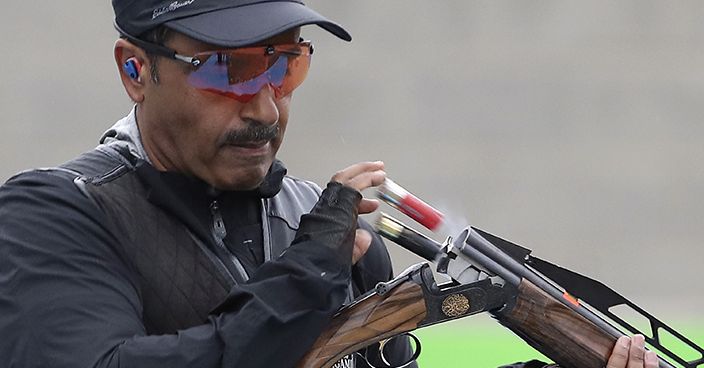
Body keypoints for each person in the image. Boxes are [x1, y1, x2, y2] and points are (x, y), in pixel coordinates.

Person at [0, 1, 659, 368]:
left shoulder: (332, 234)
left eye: (284, 65)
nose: (263, 107)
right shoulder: (52, 215)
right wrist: (307, 271)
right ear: (135, 70)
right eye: (229, 70)